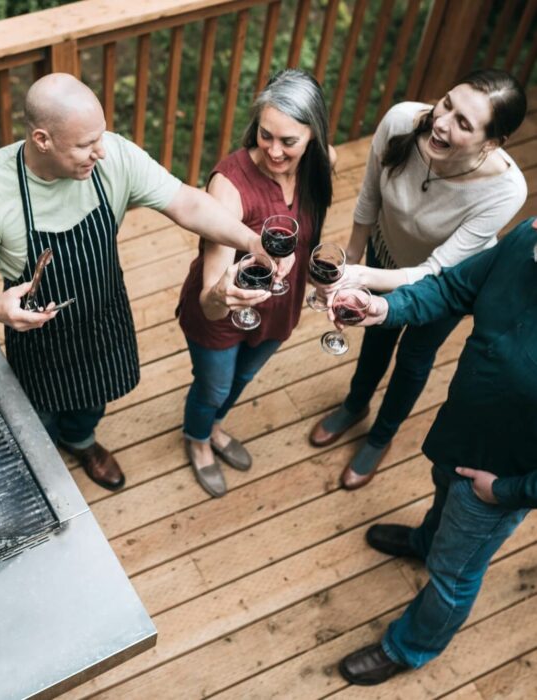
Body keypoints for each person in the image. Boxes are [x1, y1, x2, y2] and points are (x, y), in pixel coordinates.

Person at [0, 73, 289, 493]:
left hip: (103, 309)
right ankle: (41, 464)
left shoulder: (113, 158)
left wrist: (252, 241)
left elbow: (188, 202)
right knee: (38, 415)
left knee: (94, 398)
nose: (100, 152)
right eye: (85, 145)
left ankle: (82, 441)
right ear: (42, 140)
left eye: (101, 137)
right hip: (36, 330)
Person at [337, 216, 537, 685]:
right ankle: (426, 541)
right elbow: (450, 290)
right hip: (461, 430)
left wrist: (505, 490)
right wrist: (383, 310)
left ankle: (410, 646)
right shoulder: (527, 239)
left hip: (503, 476)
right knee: (443, 496)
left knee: (455, 573)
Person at [308, 69, 527, 490]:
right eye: (447, 103)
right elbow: (369, 195)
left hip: (447, 284)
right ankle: (355, 405)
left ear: (492, 143)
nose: (441, 122)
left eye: (464, 123)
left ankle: (381, 436)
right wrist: (352, 258)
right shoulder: (401, 121)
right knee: (374, 335)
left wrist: (360, 275)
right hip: (382, 252)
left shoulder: (506, 190)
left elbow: (435, 271)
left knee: (413, 358)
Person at [177, 69, 333, 497]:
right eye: (266, 135)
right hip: (225, 310)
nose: (274, 152)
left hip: (281, 305)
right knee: (215, 386)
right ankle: (198, 437)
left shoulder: (321, 166)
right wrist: (222, 293)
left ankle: (215, 426)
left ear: (313, 137)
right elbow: (211, 298)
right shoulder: (228, 186)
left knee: (241, 381)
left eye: (289, 141)